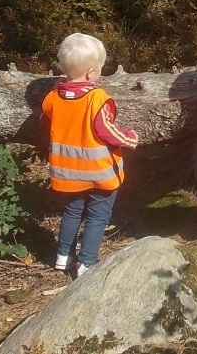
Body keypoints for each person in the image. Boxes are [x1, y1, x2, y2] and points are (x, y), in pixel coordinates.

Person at [41, 33, 139, 277]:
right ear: (91, 73)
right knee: (98, 217)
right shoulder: (97, 98)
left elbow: (46, 122)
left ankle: (63, 256)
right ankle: (87, 263)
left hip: (67, 173)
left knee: (72, 213)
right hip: (99, 173)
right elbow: (108, 131)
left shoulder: (52, 98)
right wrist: (130, 138)